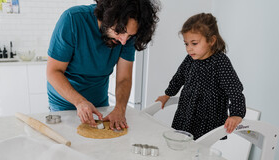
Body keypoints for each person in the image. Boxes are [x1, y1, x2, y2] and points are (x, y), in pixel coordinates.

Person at [47, 0, 160, 130]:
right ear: (108, 17)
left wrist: (120, 109)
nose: (123, 41)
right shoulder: (73, 20)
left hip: (100, 105)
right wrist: (80, 102)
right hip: (64, 106)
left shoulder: (126, 36)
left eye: (130, 36)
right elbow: (53, 71)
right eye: (120, 31)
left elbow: (124, 78)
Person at [155, 13, 246, 140]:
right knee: (181, 144)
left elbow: (235, 90)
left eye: (194, 43)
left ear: (211, 41)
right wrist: (167, 94)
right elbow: (179, 77)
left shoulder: (220, 62)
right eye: (186, 44)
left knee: (200, 151)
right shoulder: (190, 59)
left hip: (208, 118)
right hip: (186, 113)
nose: (189, 49)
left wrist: (236, 114)